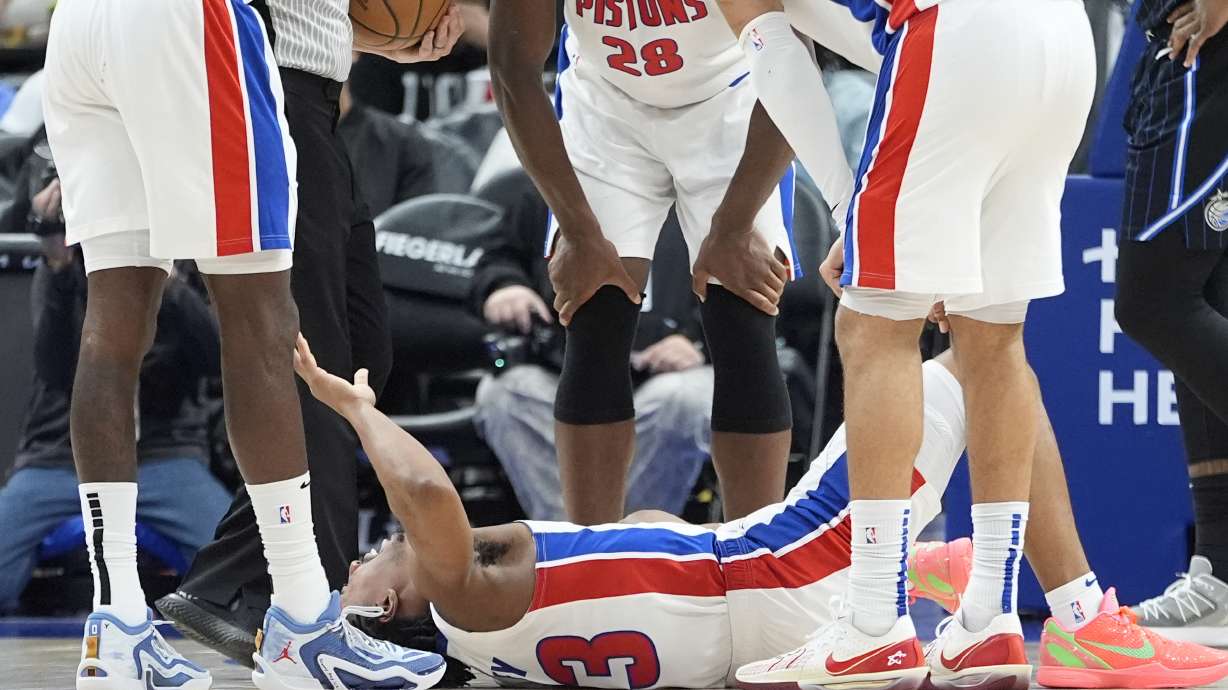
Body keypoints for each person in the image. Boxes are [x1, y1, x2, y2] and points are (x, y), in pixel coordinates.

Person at [291, 335, 1228, 690]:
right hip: (783, 563)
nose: (360, 560)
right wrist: (362, 411)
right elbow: (422, 496)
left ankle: (926, 567)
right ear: (395, 609)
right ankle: (1079, 624)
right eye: (356, 579)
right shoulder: (457, 592)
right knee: (988, 367)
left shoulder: (483, 644)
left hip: (761, 607)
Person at [40, 0, 462, 687]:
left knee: (111, 327)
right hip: (191, 20)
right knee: (263, 317)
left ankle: (115, 627)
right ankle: (302, 624)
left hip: (81, 23)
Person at [708, 2, 1096, 688]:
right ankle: (987, 618)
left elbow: (778, 59)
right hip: (1060, 39)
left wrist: (842, 204)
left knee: (871, 326)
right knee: (993, 338)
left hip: (955, 33)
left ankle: (873, 623)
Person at [487, 0, 854, 524]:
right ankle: (591, 566)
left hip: (733, 93)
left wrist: (732, 226)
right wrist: (579, 231)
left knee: (742, 314)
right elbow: (511, 68)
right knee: (593, 313)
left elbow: (793, 66)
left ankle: (756, 563)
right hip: (605, 105)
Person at [472, 169, 713, 520]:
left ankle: (635, 543)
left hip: (666, 370)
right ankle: (574, 544)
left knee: (682, 400)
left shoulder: (701, 186)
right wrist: (504, 286)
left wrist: (696, 339)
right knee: (504, 395)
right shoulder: (551, 179)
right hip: (562, 366)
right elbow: (496, 258)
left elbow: (745, 282)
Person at [0, 249, 230, 613]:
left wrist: (166, 284)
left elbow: (213, 353)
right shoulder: (63, 264)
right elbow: (53, 367)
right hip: (60, 459)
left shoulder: (185, 259)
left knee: (238, 572)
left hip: (162, 456)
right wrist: (58, 266)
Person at [1111, 0, 1228, 647]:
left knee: (1155, 301)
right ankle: (1221, 577)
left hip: (1203, 48)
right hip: (1173, 46)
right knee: (1205, 295)